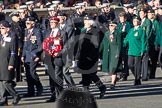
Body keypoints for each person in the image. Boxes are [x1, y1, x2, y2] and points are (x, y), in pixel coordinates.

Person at [75, 15, 106, 98]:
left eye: (87, 21)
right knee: (84, 75)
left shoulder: (96, 32)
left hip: (91, 57)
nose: (85, 22)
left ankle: (102, 87)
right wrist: (77, 57)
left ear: (91, 23)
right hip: (83, 56)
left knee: (92, 74)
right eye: (85, 21)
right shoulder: (83, 31)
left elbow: (96, 45)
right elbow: (79, 45)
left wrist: (90, 56)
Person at [21, 17, 43, 97]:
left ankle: (39, 86)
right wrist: (23, 55)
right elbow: (25, 44)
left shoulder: (37, 31)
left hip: (34, 55)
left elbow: (40, 46)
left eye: (28, 23)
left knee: (32, 72)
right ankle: (30, 91)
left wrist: (37, 54)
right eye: (26, 23)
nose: (26, 25)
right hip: (27, 55)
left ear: (33, 24)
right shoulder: (26, 31)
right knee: (28, 74)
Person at [43, 17, 64, 102]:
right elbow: (45, 44)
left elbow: (66, 46)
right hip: (49, 57)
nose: (51, 24)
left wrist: (58, 53)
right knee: (51, 77)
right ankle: (53, 95)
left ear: (57, 23)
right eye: (50, 22)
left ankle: (60, 95)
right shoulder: (48, 33)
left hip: (57, 57)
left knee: (57, 76)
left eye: (53, 22)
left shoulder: (62, 33)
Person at [0, 21, 21, 106]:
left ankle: (15, 95)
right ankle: (3, 99)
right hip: (0, 61)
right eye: (0, 28)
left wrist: (11, 63)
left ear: (7, 29)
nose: (1, 30)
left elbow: (13, 52)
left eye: (2, 28)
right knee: (1, 81)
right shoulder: (1, 37)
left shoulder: (12, 37)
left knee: (6, 81)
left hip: (7, 62)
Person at [99, 21, 122, 90]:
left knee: (113, 68)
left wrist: (118, 53)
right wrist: (98, 52)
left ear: (115, 26)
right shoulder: (107, 33)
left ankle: (112, 83)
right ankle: (115, 79)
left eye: (112, 25)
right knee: (109, 69)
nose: (110, 27)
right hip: (108, 53)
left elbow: (119, 44)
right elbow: (103, 43)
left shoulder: (118, 33)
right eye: (109, 25)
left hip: (114, 53)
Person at [123, 16, 146, 85]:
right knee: (130, 64)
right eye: (133, 21)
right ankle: (137, 75)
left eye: (136, 21)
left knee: (137, 65)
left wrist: (143, 49)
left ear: (139, 22)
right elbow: (127, 38)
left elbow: (143, 40)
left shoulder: (141, 30)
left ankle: (137, 79)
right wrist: (123, 44)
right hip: (131, 50)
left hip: (137, 50)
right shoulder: (131, 30)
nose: (134, 22)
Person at [57, 12, 75, 86]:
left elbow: (71, 41)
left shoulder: (69, 27)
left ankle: (72, 86)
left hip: (67, 52)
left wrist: (63, 50)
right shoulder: (57, 28)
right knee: (59, 71)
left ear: (64, 18)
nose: (58, 19)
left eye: (59, 18)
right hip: (58, 52)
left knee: (65, 71)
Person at [118, 12, 131, 81]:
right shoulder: (119, 24)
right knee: (119, 59)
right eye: (120, 17)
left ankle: (125, 74)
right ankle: (120, 73)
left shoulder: (128, 24)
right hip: (120, 44)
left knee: (126, 60)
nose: (120, 19)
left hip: (125, 44)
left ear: (125, 18)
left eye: (122, 17)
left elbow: (128, 34)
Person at [139, 8, 152, 81]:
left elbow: (147, 33)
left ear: (145, 14)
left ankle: (144, 76)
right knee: (142, 59)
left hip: (145, 42)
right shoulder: (141, 21)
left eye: (141, 13)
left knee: (145, 59)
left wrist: (144, 41)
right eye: (139, 13)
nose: (140, 15)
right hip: (140, 43)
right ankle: (145, 73)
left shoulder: (147, 21)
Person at [147, 9, 160, 79]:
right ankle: (149, 72)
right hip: (148, 43)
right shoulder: (147, 22)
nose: (149, 15)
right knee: (147, 58)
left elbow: (158, 33)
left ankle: (152, 73)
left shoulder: (155, 23)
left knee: (154, 59)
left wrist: (157, 43)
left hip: (154, 42)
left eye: (150, 14)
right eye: (148, 14)